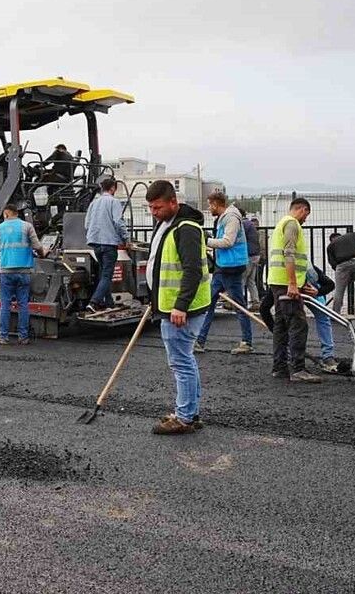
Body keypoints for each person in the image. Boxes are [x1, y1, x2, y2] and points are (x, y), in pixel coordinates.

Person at [143, 180, 210, 435]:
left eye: (158, 207)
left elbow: (192, 270)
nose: (154, 212)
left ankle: (184, 417)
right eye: (150, 207)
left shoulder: (186, 228)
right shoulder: (166, 224)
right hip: (170, 306)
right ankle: (189, 412)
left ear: (174, 202)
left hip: (181, 309)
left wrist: (180, 306)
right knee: (185, 360)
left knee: (181, 362)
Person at [267, 198, 321, 383]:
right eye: (307, 214)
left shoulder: (280, 224)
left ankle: (279, 367)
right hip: (286, 284)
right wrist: (292, 283)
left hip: (277, 282)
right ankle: (298, 369)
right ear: (303, 209)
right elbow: (288, 254)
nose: (306, 219)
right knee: (298, 325)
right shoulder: (292, 224)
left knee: (281, 326)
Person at [195, 192, 253, 354]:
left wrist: (205, 241)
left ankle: (247, 342)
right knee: (210, 303)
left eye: (209, 204)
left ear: (215, 204)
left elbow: (228, 242)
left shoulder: (231, 218)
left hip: (231, 266)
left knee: (238, 305)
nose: (209, 208)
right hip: (225, 266)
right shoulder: (225, 217)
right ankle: (200, 340)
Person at [0, 204, 46, 345]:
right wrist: (42, 253)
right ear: (17, 213)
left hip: (6, 271)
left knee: (5, 304)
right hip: (23, 271)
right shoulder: (27, 226)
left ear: (6, 214)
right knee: (23, 304)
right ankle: (23, 336)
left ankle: (3, 336)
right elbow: (37, 246)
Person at [84, 179, 129, 311]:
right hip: (109, 243)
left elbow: (87, 224)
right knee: (106, 275)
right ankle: (94, 302)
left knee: (103, 273)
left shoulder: (94, 203)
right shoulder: (114, 202)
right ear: (113, 188)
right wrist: (126, 239)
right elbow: (118, 222)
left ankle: (109, 303)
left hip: (95, 243)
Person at [242, 215, 263, 307]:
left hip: (249, 255)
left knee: (242, 280)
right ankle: (256, 302)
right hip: (255, 255)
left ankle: (240, 302)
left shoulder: (243, 225)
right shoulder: (250, 225)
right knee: (251, 281)